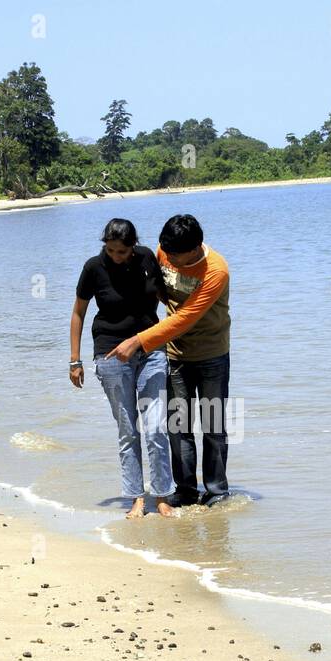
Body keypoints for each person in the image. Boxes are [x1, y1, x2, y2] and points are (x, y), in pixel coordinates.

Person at [106, 214, 231, 507]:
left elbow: (185, 318)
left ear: (196, 247)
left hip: (211, 354)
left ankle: (216, 491)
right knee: (178, 425)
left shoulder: (216, 270)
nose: (169, 259)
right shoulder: (165, 250)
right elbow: (159, 289)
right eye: (167, 253)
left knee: (213, 426)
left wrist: (138, 340)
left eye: (176, 255)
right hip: (174, 354)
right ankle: (185, 490)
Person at [70, 218, 175, 518]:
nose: (117, 256)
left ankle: (163, 495)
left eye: (123, 251)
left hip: (150, 348)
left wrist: (184, 325)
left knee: (155, 427)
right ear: (104, 244)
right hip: (111, 354)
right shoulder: (93, 268)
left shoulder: (145, 258)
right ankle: (136, 497)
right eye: (112, 250)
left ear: (133, 246)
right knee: (128, 429)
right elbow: (78, 313)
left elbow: (164, 298)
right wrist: (75, 360)